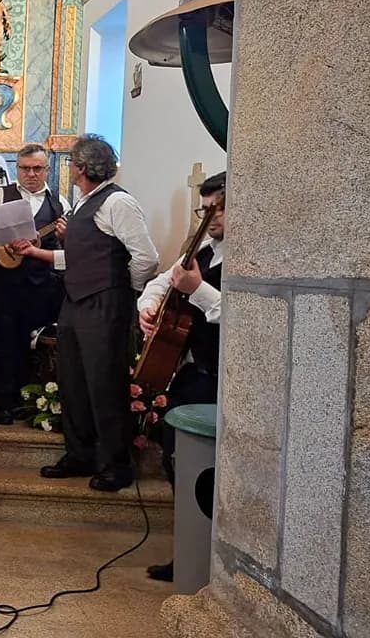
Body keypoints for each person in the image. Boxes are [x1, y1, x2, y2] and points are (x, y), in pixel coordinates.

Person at [15, 134, 159, 492]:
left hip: (105, 305)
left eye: (72, 165)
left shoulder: (118, 203)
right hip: (76, 303)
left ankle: (115, 463)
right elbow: (83, 258)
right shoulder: (84, 202)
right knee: (73, 381)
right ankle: (80, 454)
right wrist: (39, 255)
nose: (72, 170)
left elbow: (147, 258)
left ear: (80, 167)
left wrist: (121, 288)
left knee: (104, 384)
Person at [138, 170, 225, 582]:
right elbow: (161, 280)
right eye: (207, 209)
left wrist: (198, 290)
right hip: (194, 375)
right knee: (177, 456)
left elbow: (245, 315)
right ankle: (188, 547)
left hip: (225, 378)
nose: (213, 217)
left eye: (220, 208)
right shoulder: (205, 247)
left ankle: (220, 556)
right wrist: (149, 306)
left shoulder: (253, 256)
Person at [0, 144, 68, 425]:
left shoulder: (60, 204)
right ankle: (3, 402)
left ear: (47, 170)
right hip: (5, 283)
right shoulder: (0, 195)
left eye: (37, 168)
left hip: (42, 286)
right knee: (3, 342)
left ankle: (29, 400)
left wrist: (65, 236)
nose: (31, 174)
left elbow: (67, 247)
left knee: (30, 343)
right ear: (17, 168)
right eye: (25, 168)